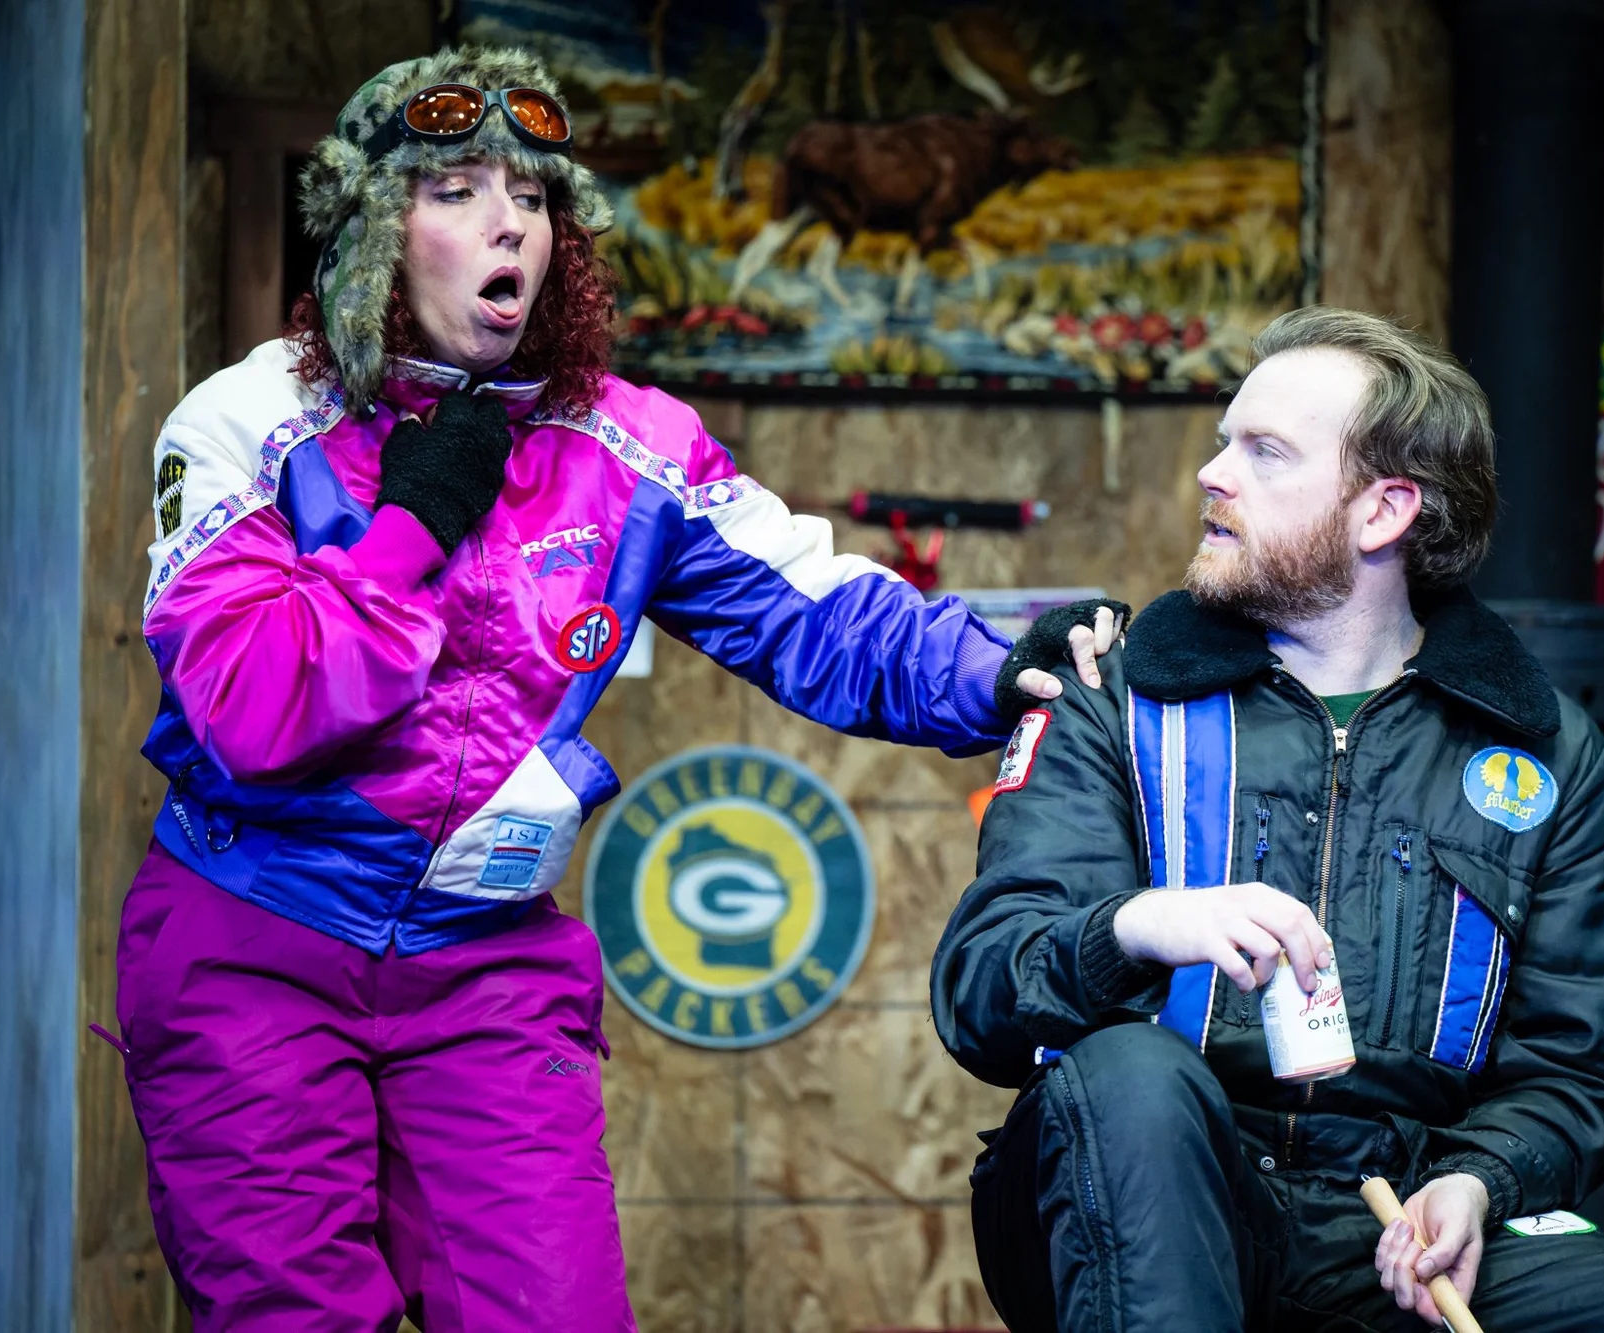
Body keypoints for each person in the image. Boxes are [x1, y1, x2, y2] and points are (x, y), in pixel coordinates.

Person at [116, 46, 1109, 1333]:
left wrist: (999, 665)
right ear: (370, 226)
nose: (503, 223)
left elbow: (808, 609)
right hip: (255, 946)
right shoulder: (245, 424)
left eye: (529, 196)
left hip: (481, 963)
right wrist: (413, 523)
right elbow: (254, 707)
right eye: (455, 190)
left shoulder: (625, 442)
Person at [931, 306, 1604, 1332]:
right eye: (1223, 438)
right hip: (1132, 1193)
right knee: (1132, 1075)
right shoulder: (1109, 689)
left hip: (1389, 1220)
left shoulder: (1545, 748)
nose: (1210, 472)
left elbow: (1578, 1076)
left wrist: (1478, 1184)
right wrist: (1139, 926)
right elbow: (979, 994)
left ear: (1383, 513)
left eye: (1263, 452)